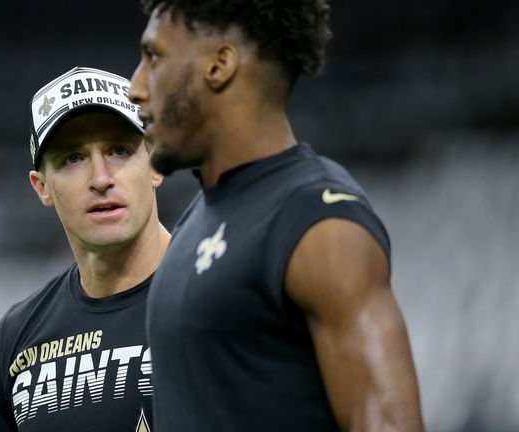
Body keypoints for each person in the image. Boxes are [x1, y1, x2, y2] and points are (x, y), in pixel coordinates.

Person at [127, 1, 425, 431]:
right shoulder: (198, 218)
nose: (136, 86)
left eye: (153, 57)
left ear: (220, 64)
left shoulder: (319, 227)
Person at [0, 66, 169, 431]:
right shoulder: (17, 337)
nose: (100, 179)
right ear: (42, 187)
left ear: (157, 164)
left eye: (119, 150)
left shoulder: (219, 296)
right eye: (72, 158)